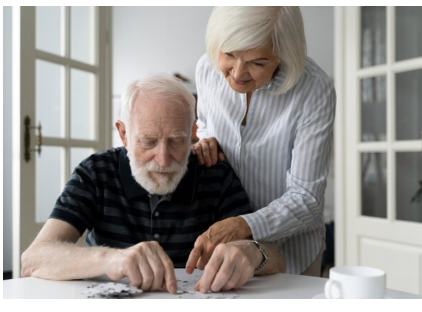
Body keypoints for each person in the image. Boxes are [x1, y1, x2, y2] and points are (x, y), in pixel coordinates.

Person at [21, 74, 285, 294]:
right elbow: (33, 259)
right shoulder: (95, 172)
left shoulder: (216, 175)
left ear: (194, 131)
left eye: (176, 141)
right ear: (123, 134)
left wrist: (253, 253)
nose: (163, 159)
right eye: (148, 142)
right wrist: (113, 258)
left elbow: (276, 257)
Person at [188, 6, 336, 276]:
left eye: (258, 63)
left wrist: (243, 225)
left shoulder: (315, 91)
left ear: (283, 54)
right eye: (229, 54)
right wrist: (207, 139)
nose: (238, 73)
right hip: (225, 248)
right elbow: (206, 121)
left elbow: (307, 197)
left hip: (293, 250)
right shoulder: (206, 70)